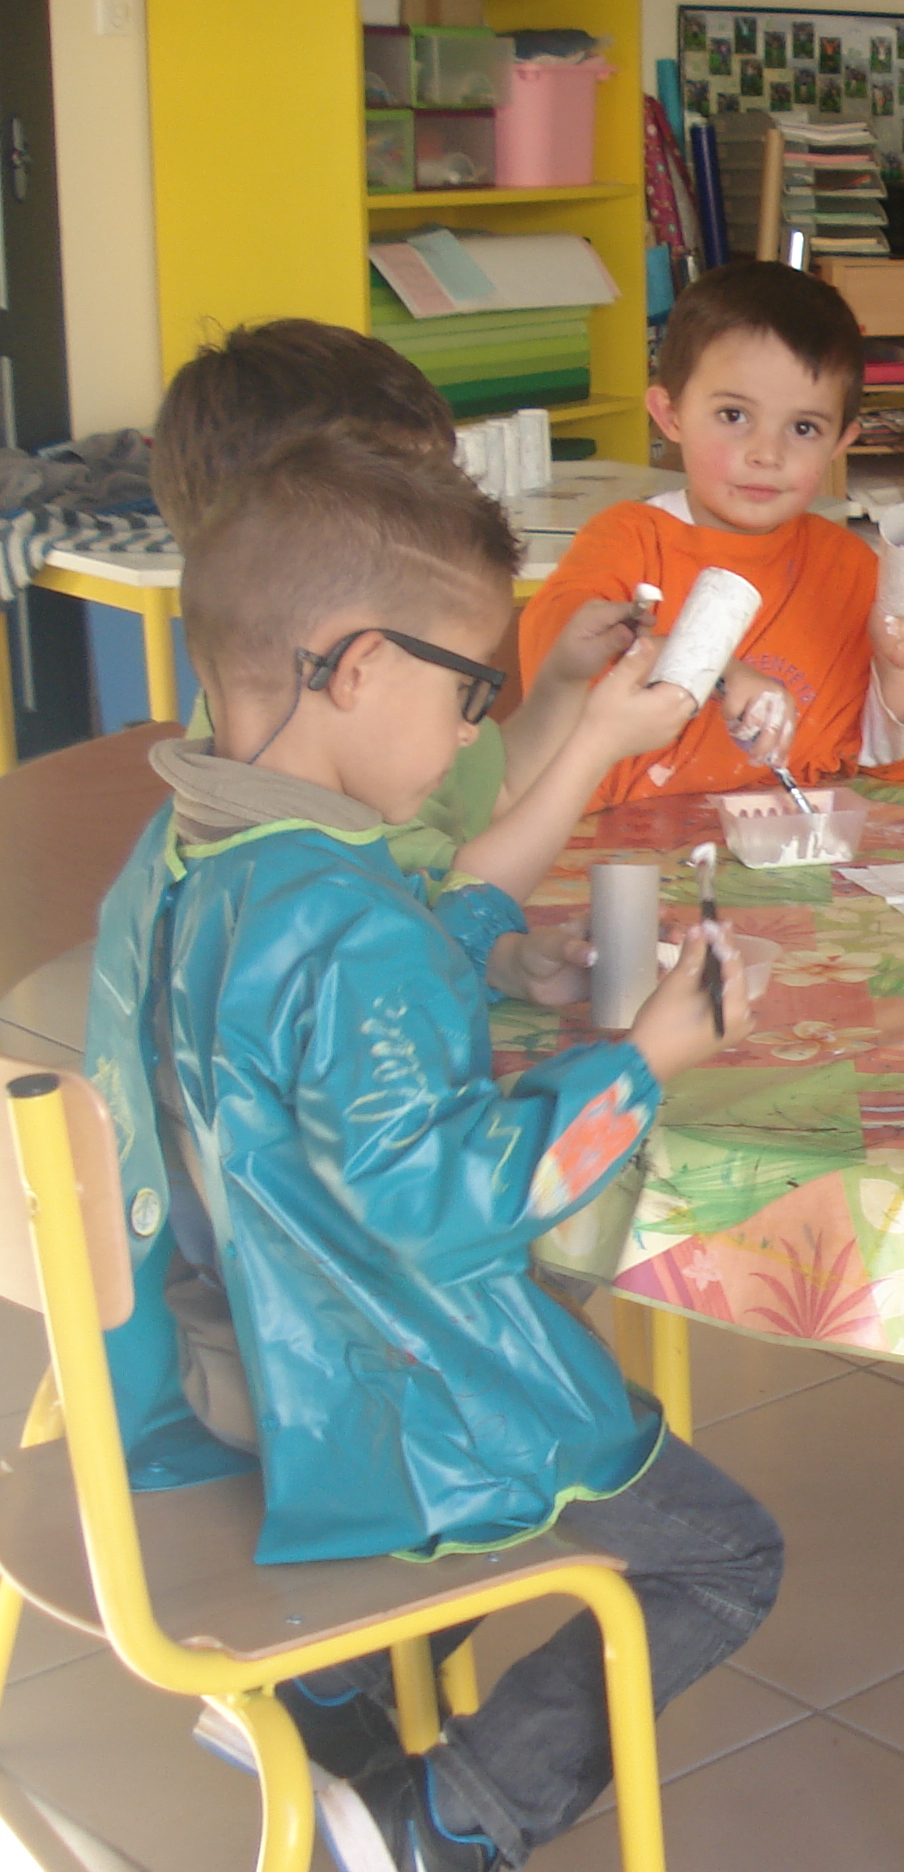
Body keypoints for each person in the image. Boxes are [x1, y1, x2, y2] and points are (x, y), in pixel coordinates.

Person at [83, 433, 781, 1872]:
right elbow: (452, 1208)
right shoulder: (344, 923)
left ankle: (330, 1702)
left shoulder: (186, 854)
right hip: (374, 1389)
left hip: (224, 1356)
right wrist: (641, 1063)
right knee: (725, 1559)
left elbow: (310, 1021)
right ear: (354, 667)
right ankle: (445, 1820)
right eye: (472, 692)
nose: (477, 731)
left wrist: (478, 949)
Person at [149, 320, 699, 881]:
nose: (449, 514)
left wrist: (563, 682)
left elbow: (493, 793)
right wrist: (595, 746)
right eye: (411, 496)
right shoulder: (294, 766)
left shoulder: (373, 695)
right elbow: (456, 903)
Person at [519, 260, 904, 811]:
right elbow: (561, 665)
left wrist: (898, 668)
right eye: (733, 415)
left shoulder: (846, 568)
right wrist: (722, 669)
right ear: (670, 413)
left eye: (803, 428)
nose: (766, 453)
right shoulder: (626, 541)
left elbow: (901, 763)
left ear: (841, 442)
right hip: (621, 849)